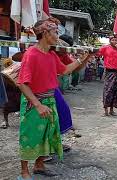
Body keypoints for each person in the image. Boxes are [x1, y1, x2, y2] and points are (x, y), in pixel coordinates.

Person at [16, 18, 91, 179]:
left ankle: (39, 165)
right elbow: (22, 84)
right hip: (34, 102)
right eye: (55, 32)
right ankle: (24, 171)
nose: (58, 35)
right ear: (44, 33)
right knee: (29, 135)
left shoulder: (51, 54)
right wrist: (37, 105)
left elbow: (64, 70)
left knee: (48, 135)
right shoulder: (31, 54)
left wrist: (82, 59)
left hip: (49, 99)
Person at [98, 34, 117, 116]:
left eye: (115, 40)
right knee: (107, 91)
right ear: (110, 41)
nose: (114, 41)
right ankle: (105, 110)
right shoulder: (105, 48)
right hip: (109, 72)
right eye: (113, 40)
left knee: (115, 91)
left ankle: (111, 110)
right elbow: (97, 53)